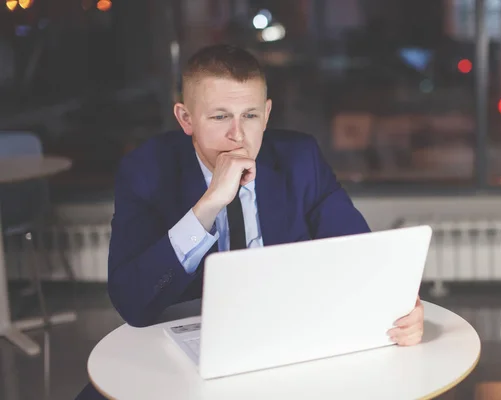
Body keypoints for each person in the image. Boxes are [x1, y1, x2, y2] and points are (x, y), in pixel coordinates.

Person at [76, 44, 424, 399]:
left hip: (285, 343)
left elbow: (359, 255)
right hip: (183, 348)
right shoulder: (146, 170)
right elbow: (132, 302)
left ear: (267, 114)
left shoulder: (300, 157)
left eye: (250, 116)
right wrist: (208, 205)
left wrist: (399, 306)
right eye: (219, 117)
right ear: (185, 118)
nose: (238, 135)